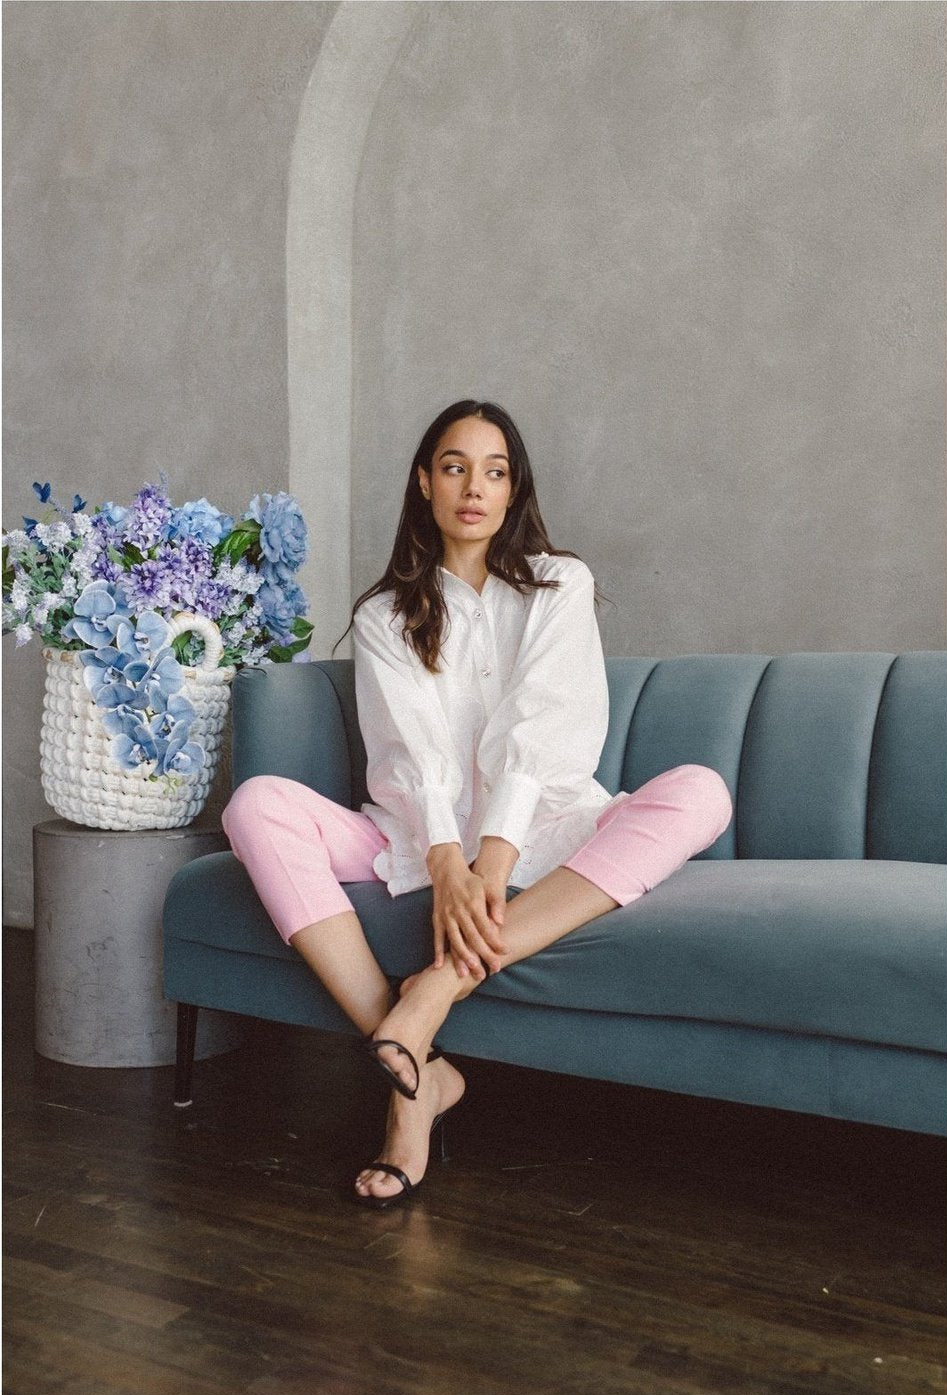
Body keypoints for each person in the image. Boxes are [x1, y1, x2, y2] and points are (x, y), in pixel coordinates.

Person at [222, 399, 733, 1209]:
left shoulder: (560, 584)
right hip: (417, 837)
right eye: (455, 467)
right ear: (425, 482)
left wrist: (488, 859)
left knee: (701, 791)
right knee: (255, 805)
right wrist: (445, 857)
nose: (475, 487)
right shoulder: (386, 615)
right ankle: (418, 1071)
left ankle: (429, 998)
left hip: (550, 831)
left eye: (495, 472)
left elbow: (543, 726)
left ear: (513, 488)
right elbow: (411, 754)